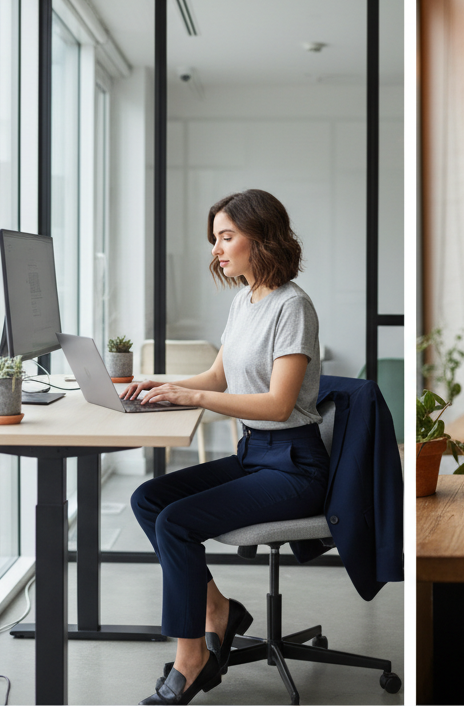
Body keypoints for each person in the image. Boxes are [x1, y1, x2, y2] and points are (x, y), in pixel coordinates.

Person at [125, 189, 325, 705]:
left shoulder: (293, 306)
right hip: (254, 456)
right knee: (148, 499)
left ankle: (190, 658)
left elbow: (280, 405)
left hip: (295, 468)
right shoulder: (245, 299)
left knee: (176, 521)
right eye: (215, 238)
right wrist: (161, 385)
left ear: (262, 238)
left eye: (226, 237)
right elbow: (219, 375)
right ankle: (219, 610)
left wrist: (193, 396)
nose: (216, 249)